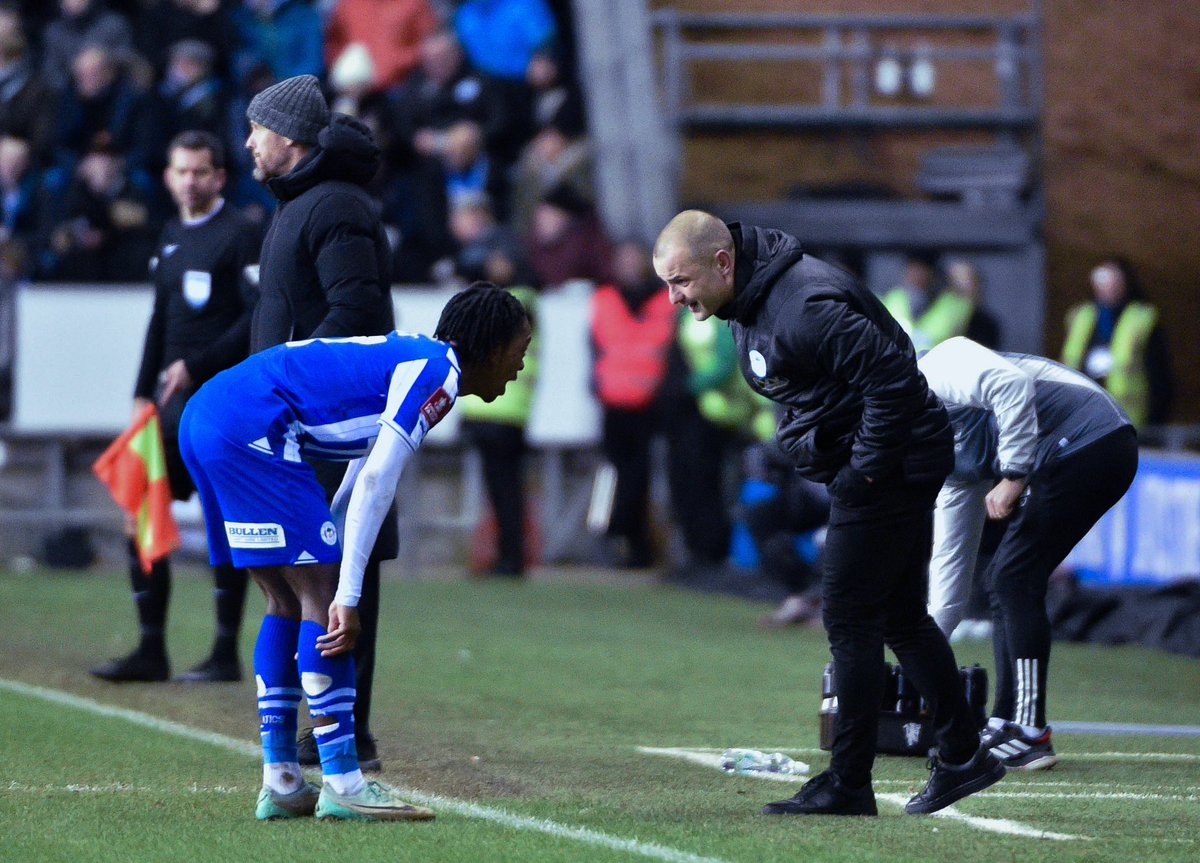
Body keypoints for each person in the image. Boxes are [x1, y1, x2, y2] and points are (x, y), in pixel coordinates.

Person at [652, 210, 1004, 817]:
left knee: (848, 618)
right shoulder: (755, 299)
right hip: (889, 463)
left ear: (723, 263)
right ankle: (963, 751)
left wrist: (862, 469)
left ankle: (849, 782)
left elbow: (894, 379)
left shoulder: (803, 302)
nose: (674, 298)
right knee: (897, 617)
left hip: (888, 469)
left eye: (680, 282)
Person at [178, 282, 532, 821]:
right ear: (489, 347)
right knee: (323, 600)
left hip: (210, 415)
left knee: (284, 599)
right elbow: (376, 483)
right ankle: (344, 782)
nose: (519, 367)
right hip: (254, 424)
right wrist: (347, 591)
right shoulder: (438, 374)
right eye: (519, 352)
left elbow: (357, 467)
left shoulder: (412, 356)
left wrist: (331, 538)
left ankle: (282, 781)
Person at [245, 73, 395, 771]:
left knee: (338, 575)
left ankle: (345, 730)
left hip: (329, 429)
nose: (248, 142)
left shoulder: (333, 206)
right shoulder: (301, 205)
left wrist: (293, 393)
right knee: (304, 573)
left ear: (289, 138)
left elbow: (354, 317)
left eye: (257, 129)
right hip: (298, 426)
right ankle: (331, 724)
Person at [920, 336, 1137, 771]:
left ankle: (1030, 732)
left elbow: (1012, 384)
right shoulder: (945, 461)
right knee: (1004, 578)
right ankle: (1007, 722)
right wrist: (919, 657)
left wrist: (1015, 474)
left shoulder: (934, 369)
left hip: (1092, 436)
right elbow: (950, 570)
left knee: (1014, 577)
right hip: (1086, 443)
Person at [90, 130, 259, 684]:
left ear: (219, 177)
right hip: (165, 407)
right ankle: (151, 649)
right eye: (181, 171)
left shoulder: (240, 235)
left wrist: (199, 363)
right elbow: (160, 319)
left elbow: (254, 318)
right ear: (168, 176)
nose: (190, 180)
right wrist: (142, 393)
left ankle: (224, 650)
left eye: (200, 171)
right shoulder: (168, 236)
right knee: (138, 510)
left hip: (216, 404)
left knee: (223, 521)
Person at [591, 240, 676, 569]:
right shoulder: (607, 299)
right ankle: (626, 537)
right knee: (625, 475)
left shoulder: (663, 300)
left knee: (638, 476)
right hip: (614, 402)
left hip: (649, 404)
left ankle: (629, 538)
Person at [1060, 256, 1173, 429]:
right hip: (1083, 420)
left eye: (1114, 279)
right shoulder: (1081, 316)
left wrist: (1155, 420)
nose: (1108, 286)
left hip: (1129, 421)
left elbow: (1159, 374)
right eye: (1103, 279)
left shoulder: (1141, 318)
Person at [881, 250, 973, 354]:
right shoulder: (894, 298)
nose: (917, 275)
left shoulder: (953, 304)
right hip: (898, 366)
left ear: (933, 273)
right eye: (913, 269)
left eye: (922, 270)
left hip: (938, 366)